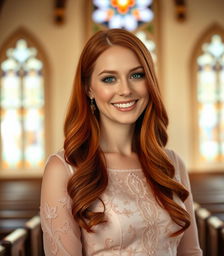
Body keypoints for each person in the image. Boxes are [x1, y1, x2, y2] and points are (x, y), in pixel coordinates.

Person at [40, 28, 202, 256]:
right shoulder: (64, 169)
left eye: (137, 75)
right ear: (88, 89)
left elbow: (191, 252)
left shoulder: (172, 164)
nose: (125, 90)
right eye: (109, 79)